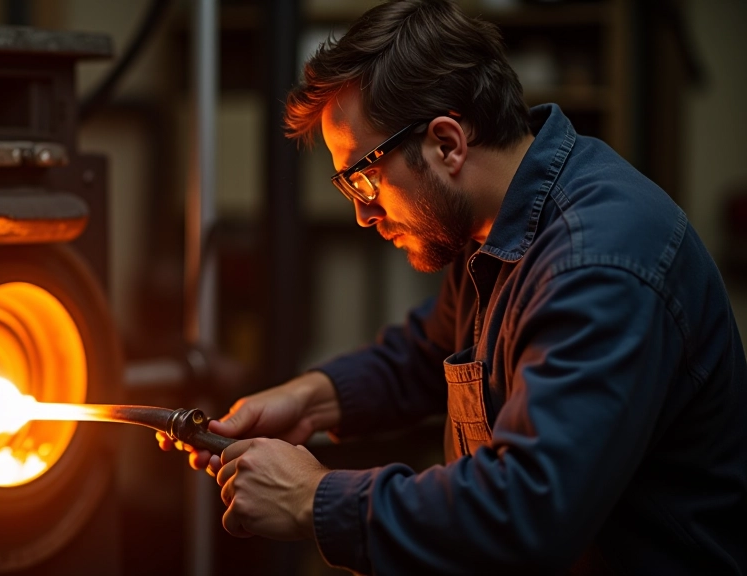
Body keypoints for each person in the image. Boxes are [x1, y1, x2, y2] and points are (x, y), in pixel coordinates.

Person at [159, 0, 747, 573]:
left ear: (447, 143)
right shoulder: (496, 226)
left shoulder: (597, 264)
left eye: (365, 178)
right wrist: (309, 399)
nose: (363, 214)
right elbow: (428, 351)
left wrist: (312, 499)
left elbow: (526, 514)